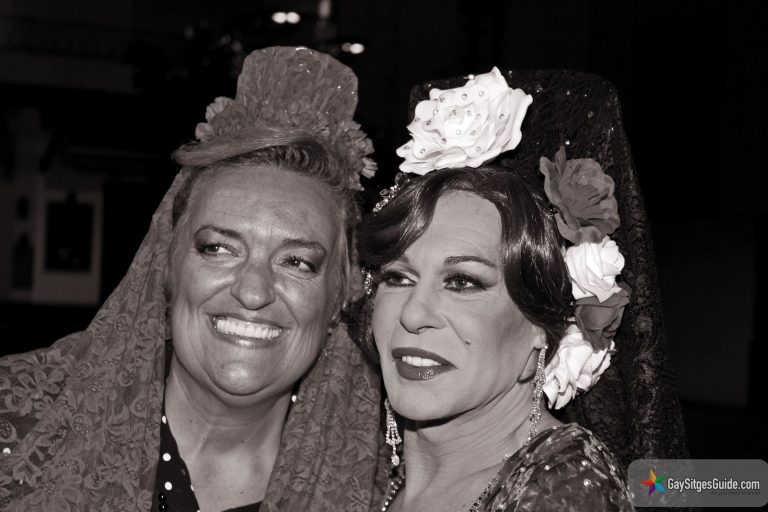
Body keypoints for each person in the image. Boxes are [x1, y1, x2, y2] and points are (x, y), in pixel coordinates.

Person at [0, 47, 382, 512]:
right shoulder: (19, 425)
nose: (253, 292)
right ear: (166, 266)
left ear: (339, 296)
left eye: (297, 262)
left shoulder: (380, 493)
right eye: (219, 248)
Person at [357, 68, 634, 511]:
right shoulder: (366, 476)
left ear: (541, 325)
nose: (412, 313)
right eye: (398, 278)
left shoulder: (564, 492)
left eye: (462, 282)